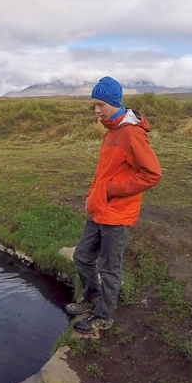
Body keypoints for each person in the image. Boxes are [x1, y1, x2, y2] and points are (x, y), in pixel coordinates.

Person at [68, 76, 162, 333]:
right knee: (82, 257)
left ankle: (104, 316)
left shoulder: (131, 133)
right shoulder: (112, 130)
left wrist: (110, 191)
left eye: (100, 104)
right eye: (94, 105)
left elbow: (151, 173)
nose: (96, 110)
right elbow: (106, 171)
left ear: (113, 102)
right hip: (99, 209)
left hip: (117, 214)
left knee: (109, 269)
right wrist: (94, 194)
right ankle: (92, 298)